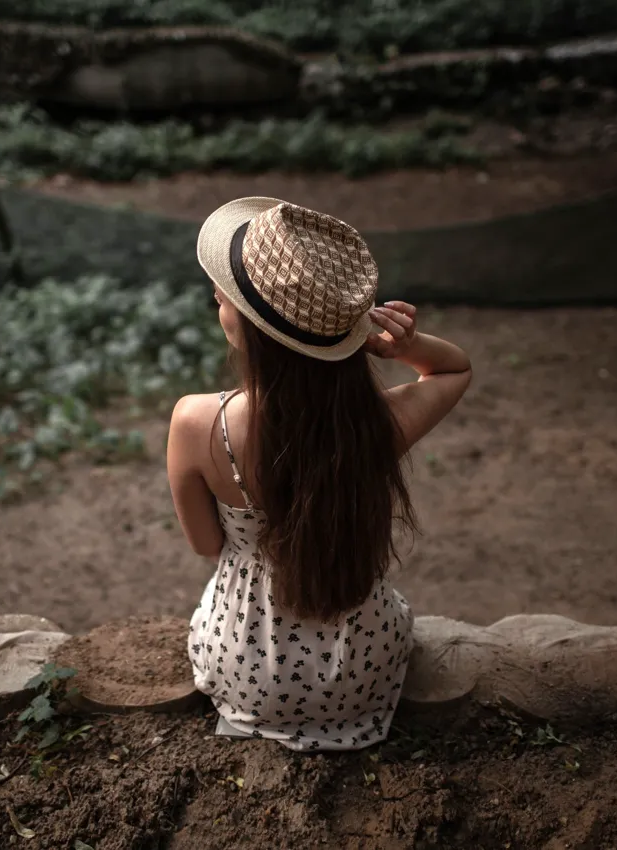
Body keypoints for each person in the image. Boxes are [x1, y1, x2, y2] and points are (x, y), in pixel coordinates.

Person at [167, 197, 472, 751]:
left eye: (227, 296)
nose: (216, 295)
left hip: (248, 672)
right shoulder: (375, 426)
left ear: (256, 332)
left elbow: (206, 544)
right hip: (364, 668)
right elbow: (454, 369)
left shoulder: (196, 422)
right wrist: (407, 345)